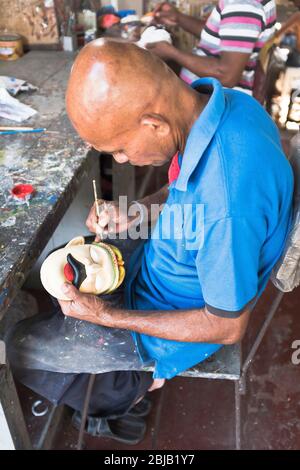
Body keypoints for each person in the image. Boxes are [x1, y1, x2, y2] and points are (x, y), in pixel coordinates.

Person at [7, 39, 293, 444]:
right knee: (63, 261)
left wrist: (106, 318)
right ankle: (88, 334)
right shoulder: (226, 106)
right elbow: (185, 191)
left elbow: (226, 327)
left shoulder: (227, 204)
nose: (121, 160)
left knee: (19, 350)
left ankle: (132, 391)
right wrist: (136, 211)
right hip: (163, 260)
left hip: (171, 328)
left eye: (120, 149)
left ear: (154, 123)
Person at [147, 0, 276, 95]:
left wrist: (171, 52)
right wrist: (179, 18)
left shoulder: (244, 5)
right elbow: (223, 35)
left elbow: (227, 75)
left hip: (214, 106)